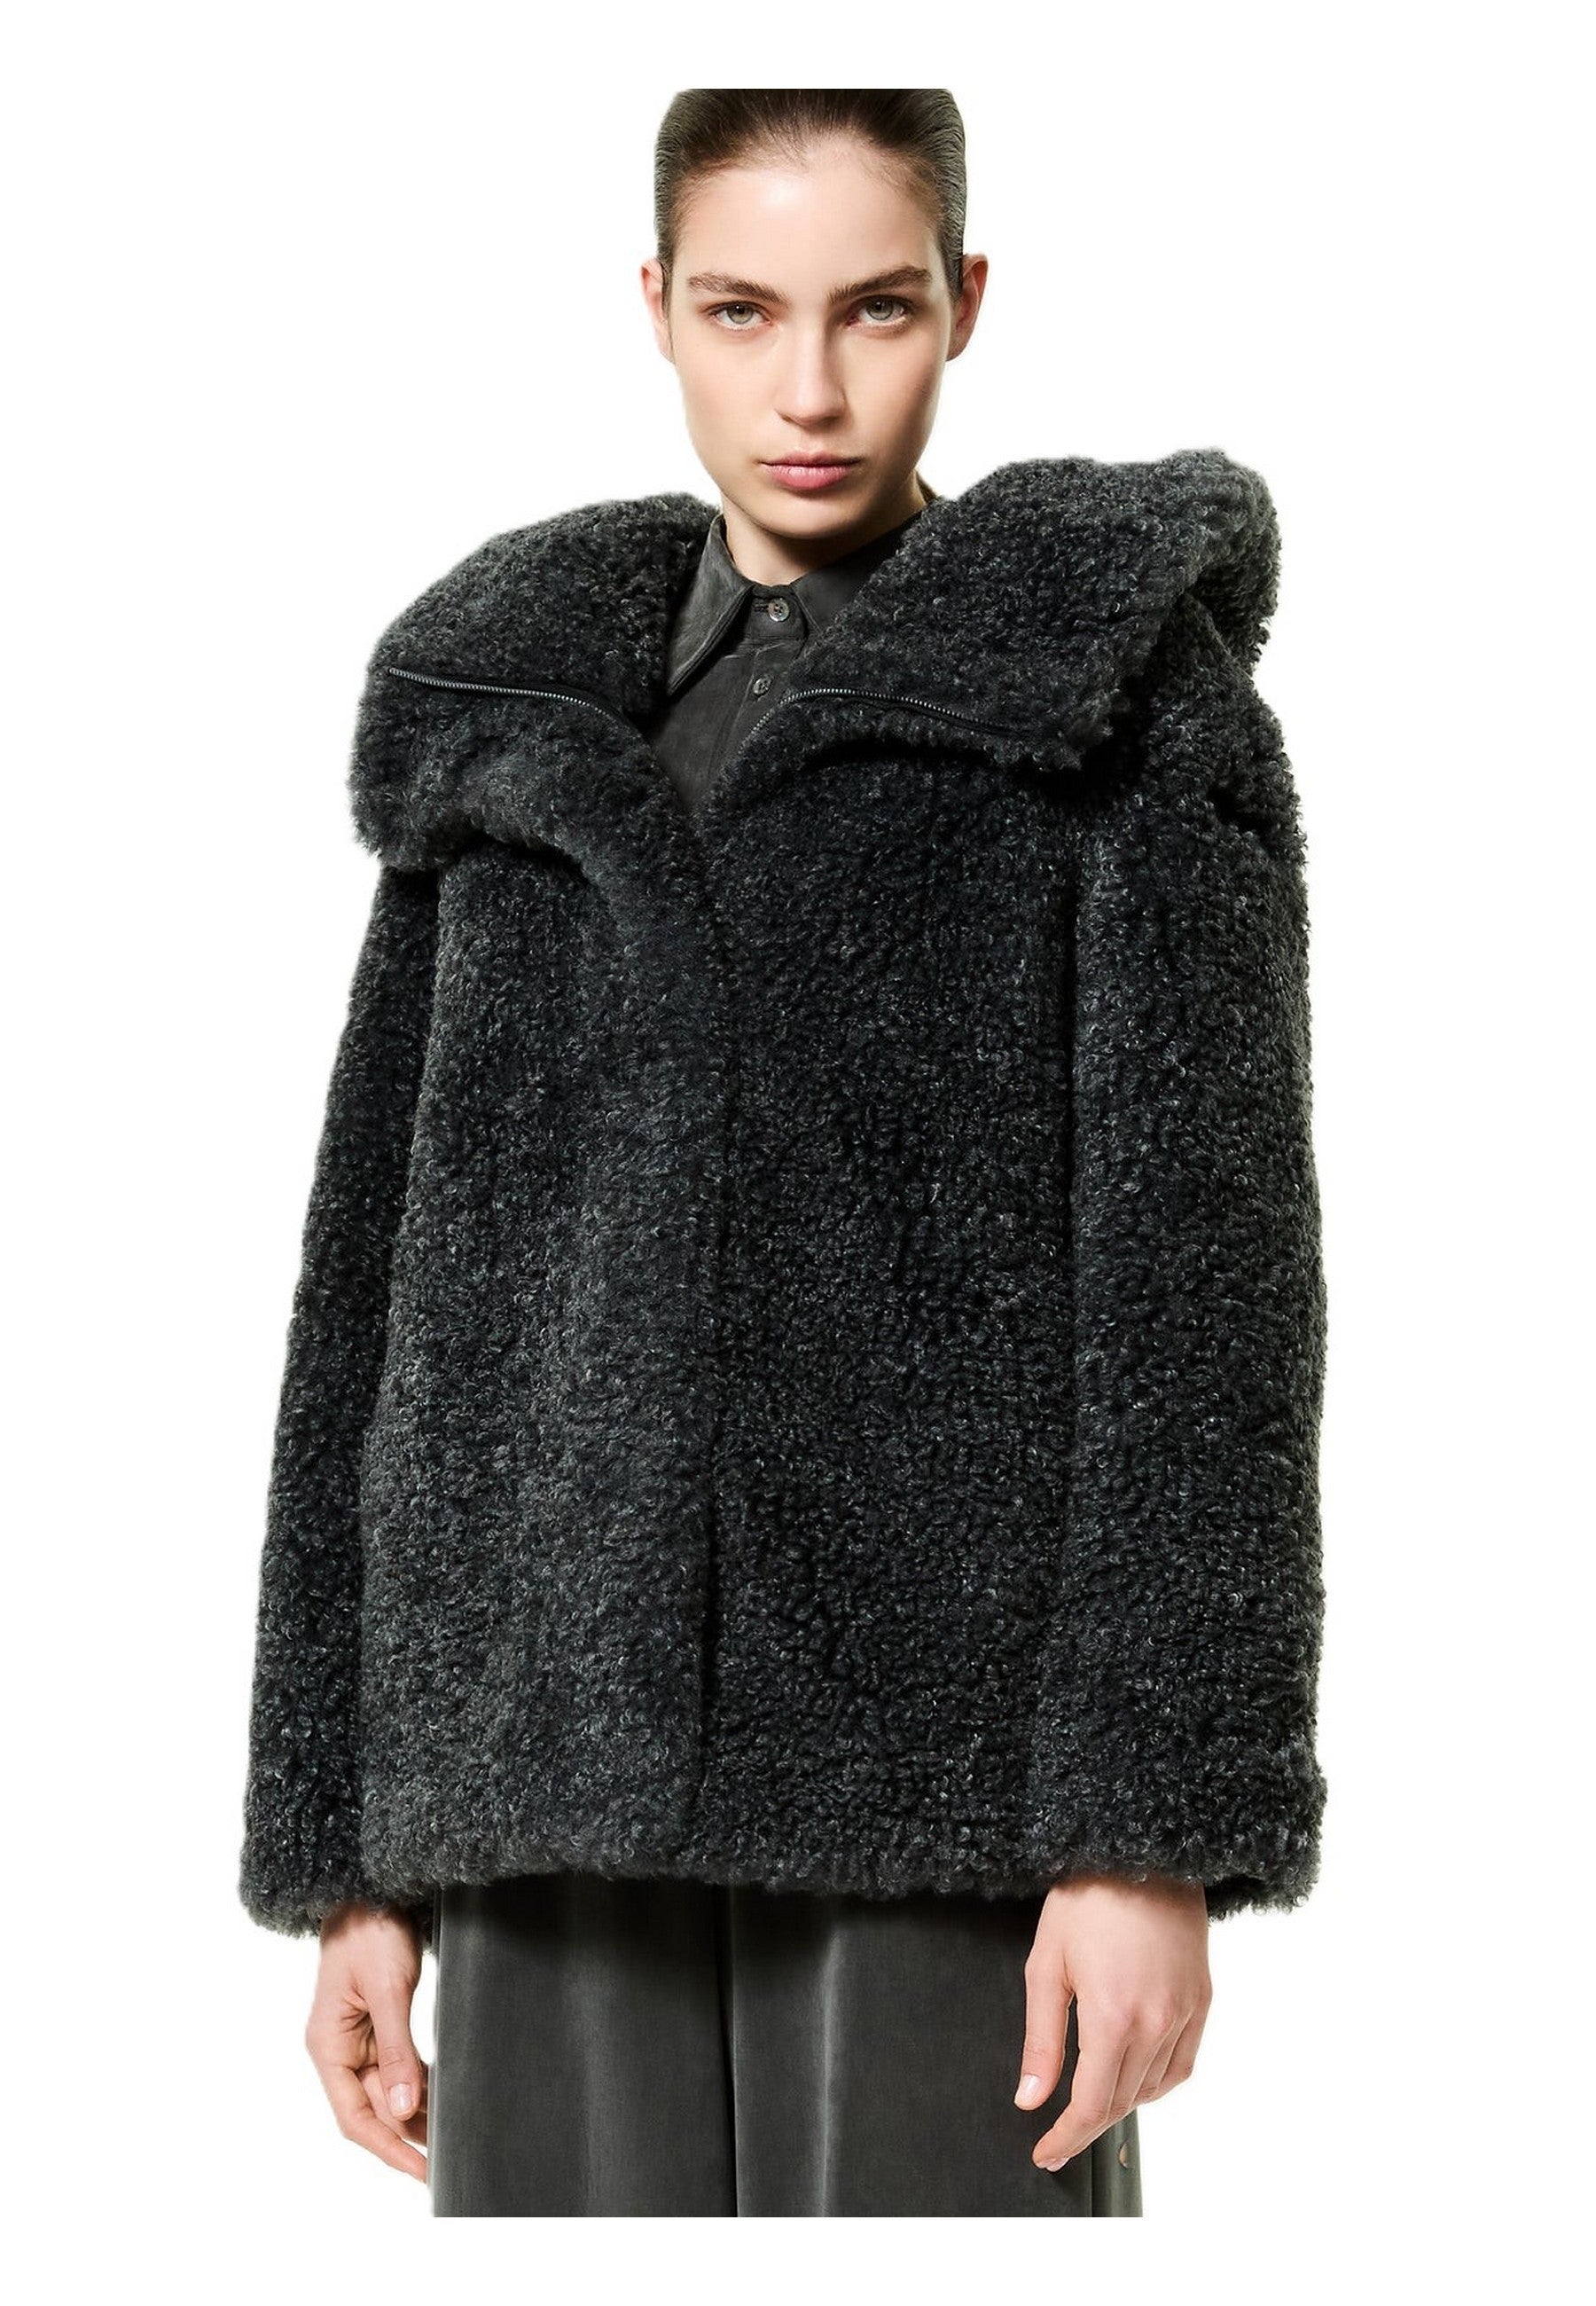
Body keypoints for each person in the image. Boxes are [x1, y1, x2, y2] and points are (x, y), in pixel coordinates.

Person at [239, 88, 1328, 2218]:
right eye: (743, 310)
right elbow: (373, 1294)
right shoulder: (512, 728)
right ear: (656, 304)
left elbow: (1208, 1298)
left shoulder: (1109, 699)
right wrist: (349, 1844)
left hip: (947, 1777)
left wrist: (1144, 1826)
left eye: (875, 308)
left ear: (966, 303)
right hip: (541, 1766)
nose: (809, 391)